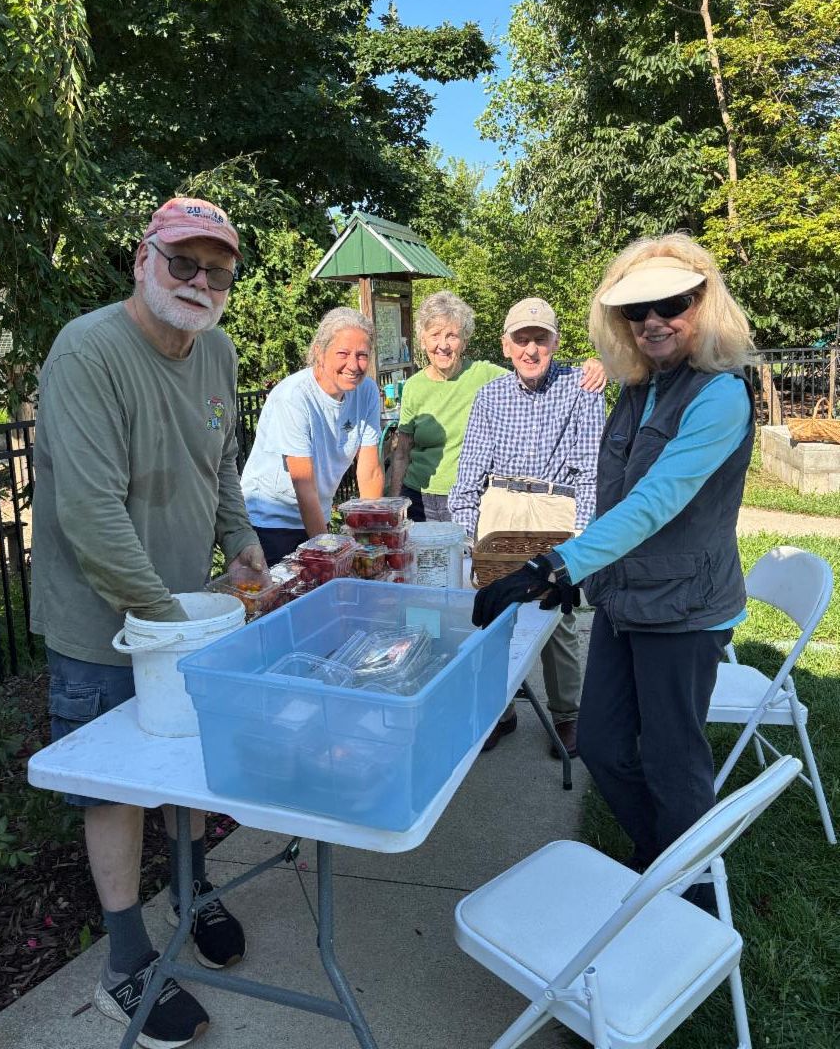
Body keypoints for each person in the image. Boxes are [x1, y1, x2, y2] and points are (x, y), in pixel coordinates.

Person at [31, 196, 268, 1048]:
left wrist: (240, 542)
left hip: (186, 611)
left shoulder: (219, 353)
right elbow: (91, 515)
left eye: (217, 271)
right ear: (143, 261)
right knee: (118, 788)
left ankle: (192, 893)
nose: (199, 282)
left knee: (187, 763)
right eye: (183, 262)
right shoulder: (87, 351)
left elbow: (221, 465)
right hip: (103, 625)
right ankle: (124, 962)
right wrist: (175, 623)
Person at [473, 235, 756, 912]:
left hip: (684, 608)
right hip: (625, 598)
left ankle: (692, 900)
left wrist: (554, 565)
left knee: (672, 759)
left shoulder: (720, 395)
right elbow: (613, 497)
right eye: (637, 310)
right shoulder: (639, 388)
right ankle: (659, 853)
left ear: (704, 304)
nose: (654, 321)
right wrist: (582, 574)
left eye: (672, 304)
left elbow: (656, 501)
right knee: (600, 745)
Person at [450, 297, 606, 756]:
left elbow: (590, 472)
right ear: (506, 345)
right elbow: (470, 471)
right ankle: (500, 710)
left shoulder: (582, 387)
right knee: (493, 611)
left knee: (557, 615)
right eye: (522, 339)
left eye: (540, 339)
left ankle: (567, 714)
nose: (531, 349)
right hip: (499, 508)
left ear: (555, 343)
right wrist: (467, 532)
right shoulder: (490, 396)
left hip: (554, 507)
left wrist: (579, 537)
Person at [240, 307, 384, 565]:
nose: (353, 365)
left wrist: (370, 541)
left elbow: (370, 471)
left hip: (318, 511)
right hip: (271, 521)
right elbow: (304, 485)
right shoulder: (294, 397)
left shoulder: (367, 391)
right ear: (319, 352)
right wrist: (330, 555)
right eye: (343, 354)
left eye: (362, 355)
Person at [388, 291, 507, 521]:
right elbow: (402, 453)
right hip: (418, 498)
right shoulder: (413, 387)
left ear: (464, 341)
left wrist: (583, 372)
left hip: (469, 498)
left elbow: (528, 375)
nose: (443, 345)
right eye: (434, 335)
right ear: (423, 340)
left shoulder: (484, 375)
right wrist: (394, 505)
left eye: (452, 336)